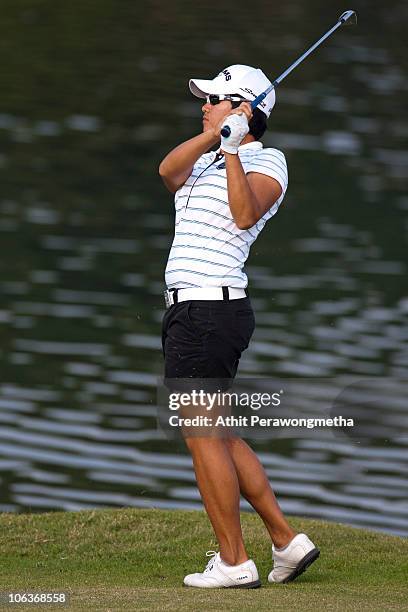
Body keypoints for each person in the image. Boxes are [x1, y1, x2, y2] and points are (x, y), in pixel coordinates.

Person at [159, 64, 319, 588]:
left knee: (202, 433)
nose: (203, 104)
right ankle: (286, 543)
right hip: (191, 311)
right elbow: (167, 172)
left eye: (213, 100)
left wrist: (230, 149)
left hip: (211, 310)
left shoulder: (268, 160)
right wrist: (213, 136)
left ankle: (234, 562)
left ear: (243, 108)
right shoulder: (204, 155)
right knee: (218, 432)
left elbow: (245, 214)